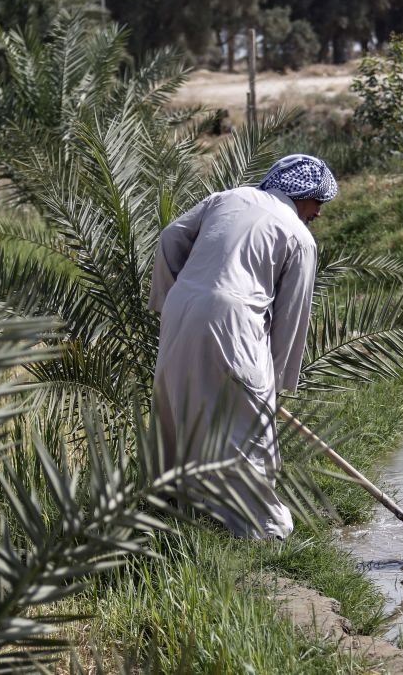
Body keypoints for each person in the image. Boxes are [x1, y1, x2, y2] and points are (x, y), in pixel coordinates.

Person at [148, 154, 337, 539]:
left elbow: (170, 237)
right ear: (302, 195)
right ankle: (262, 531)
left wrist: (173, 300)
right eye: (318, 202)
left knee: (178, 408)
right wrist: (276, 383)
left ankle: (172, 514)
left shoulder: (227, 198)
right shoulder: (299, 237)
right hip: (234, 319)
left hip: (180, 308)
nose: (318, 212)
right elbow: (292, 316)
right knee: (247, 429)